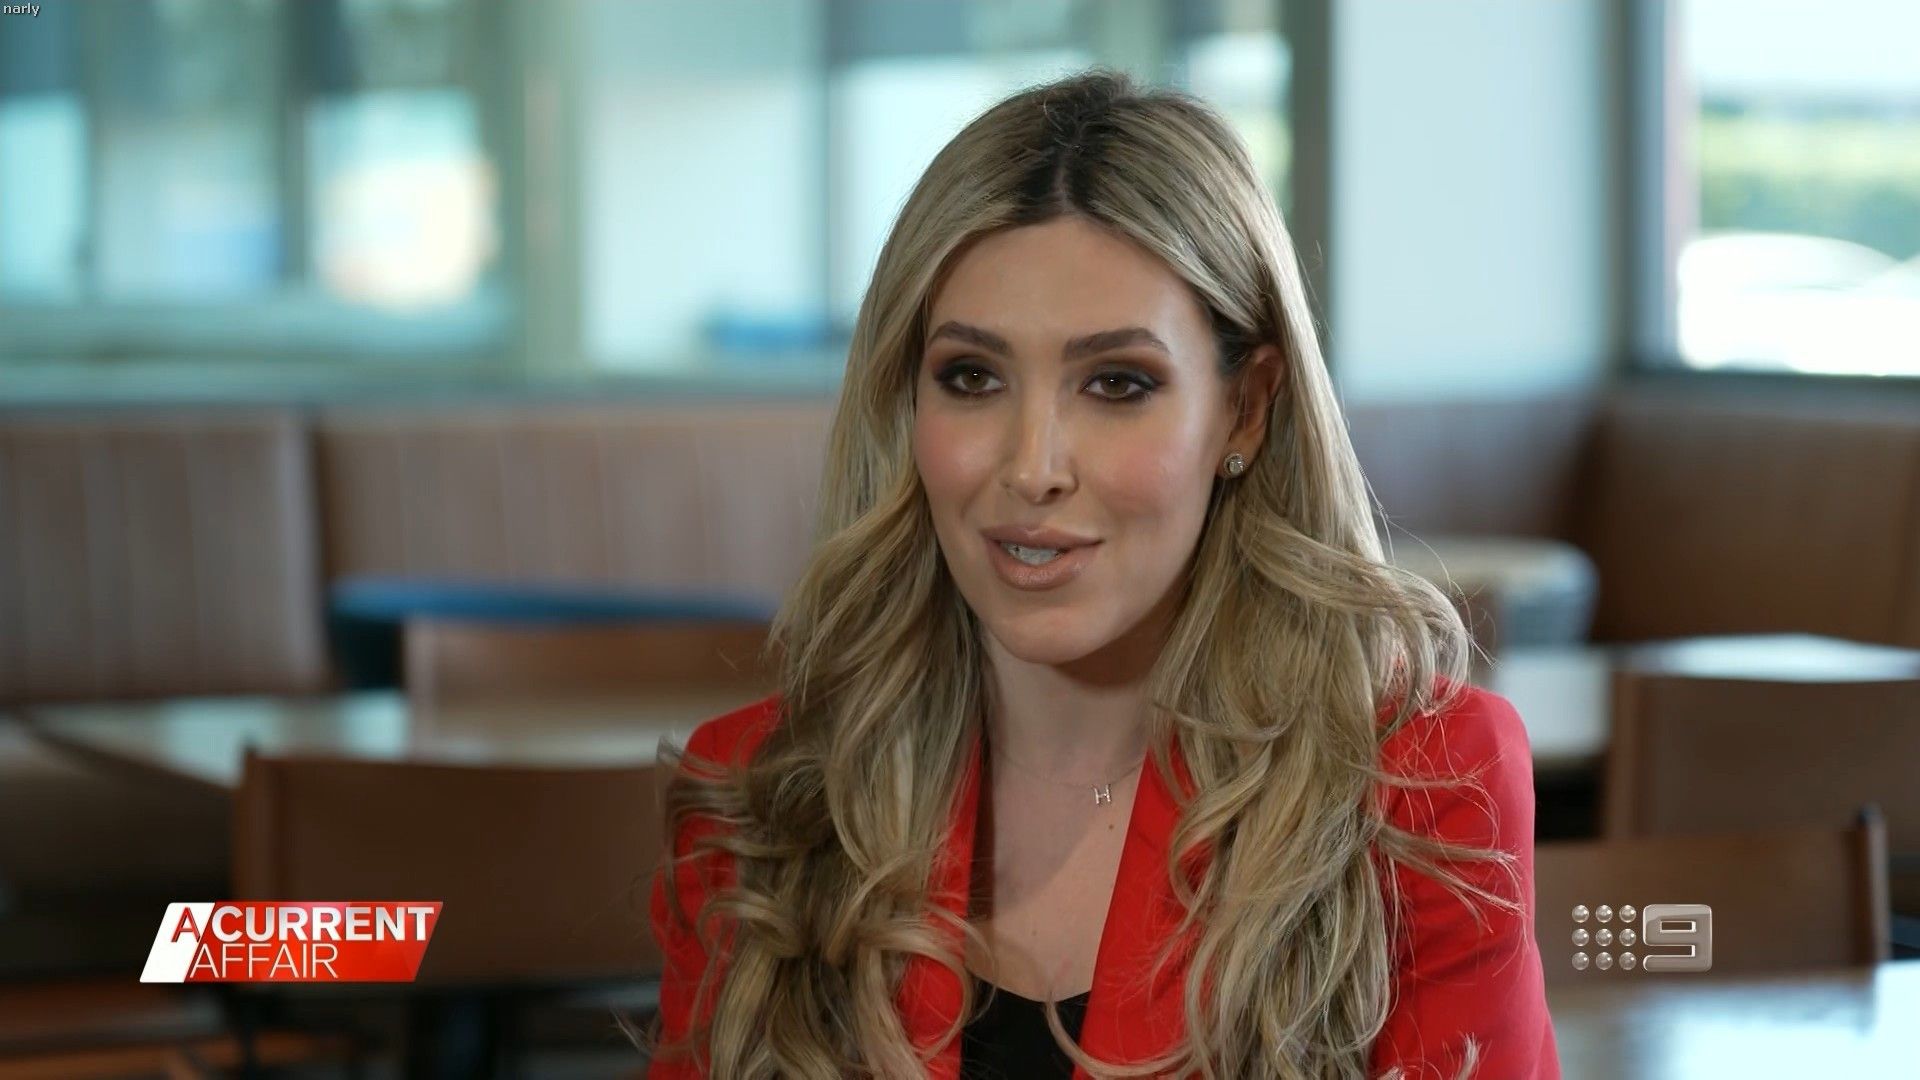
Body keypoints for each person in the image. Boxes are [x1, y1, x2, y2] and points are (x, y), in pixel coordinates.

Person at [642, 69, 1558, 1079]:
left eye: (1117, 384)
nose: (1032, 466)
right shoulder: (763, 799)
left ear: (1246, 409)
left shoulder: (1422, 788)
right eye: (971, 377)